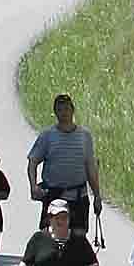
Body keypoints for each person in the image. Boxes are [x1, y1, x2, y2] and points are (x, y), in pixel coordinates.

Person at [25, 94, 100, 232]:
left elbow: (90, 167)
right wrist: (33, 186)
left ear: (72, 110)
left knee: (78, 237)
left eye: (66, 109)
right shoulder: (47, 136)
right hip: (54, 196)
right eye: (60, 110)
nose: (64, 113)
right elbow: (33, 162)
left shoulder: (84, 136)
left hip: (79, 197)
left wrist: (97, 196)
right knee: (51, 236)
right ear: (55, 112)